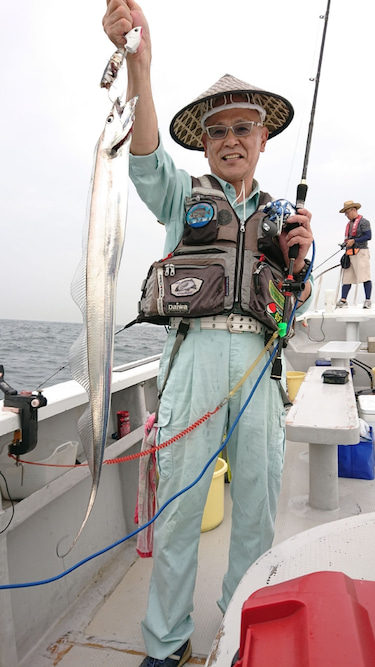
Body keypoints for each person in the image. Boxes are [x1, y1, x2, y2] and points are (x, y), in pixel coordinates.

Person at [103, 2, 314, 665]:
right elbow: (141, 151)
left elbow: (293, 309)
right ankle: (164, 644)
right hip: (191, 360)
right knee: (178, 515)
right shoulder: (178, 193)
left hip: (258, 370)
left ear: (261, 137)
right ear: (202, 143)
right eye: (217, 129)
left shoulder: (285, 218)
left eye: (242, 127)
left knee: (255, 515)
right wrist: (141, 63)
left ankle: (241, 628)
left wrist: (300, 274)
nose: (230, 138)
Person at [336, 200, 372, 309]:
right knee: (347, 277)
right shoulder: (350, 224)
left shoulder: (364, 222)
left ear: (354, 210)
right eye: (345, 214)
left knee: (365, 276)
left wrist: (355, 241)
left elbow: (368, 236)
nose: (347, 216)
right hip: (349, 253)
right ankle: (343, 300)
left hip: (361, 252)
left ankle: (367, 300)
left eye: (347, 213)